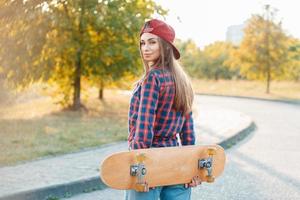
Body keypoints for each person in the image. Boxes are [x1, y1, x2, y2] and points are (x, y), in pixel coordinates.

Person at [126, 19, 201, 200]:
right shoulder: (183, 82)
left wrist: (138, 166)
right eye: (143, 43)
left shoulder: (153, 78)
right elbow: (188, 133)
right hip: (176, 161)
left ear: (165, 46)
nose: (146, 48)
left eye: (152, 42)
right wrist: (190, 167)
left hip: (149, 162)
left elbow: (144, 129)